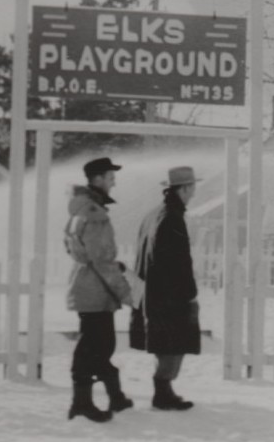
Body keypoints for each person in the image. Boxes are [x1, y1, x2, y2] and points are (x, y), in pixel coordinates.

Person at [64, 157, 135, 423]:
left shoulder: (79, 211)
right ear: (97, 180)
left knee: (101, 344)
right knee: (93, 347)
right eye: (110, 176)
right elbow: (102, 261)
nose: (114, 181)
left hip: (89, 286)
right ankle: (81, 403)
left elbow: (75, 249)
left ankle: (115, 397)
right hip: (96, 289)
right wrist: (127, 293)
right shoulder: (94, 214)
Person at [133, 166, 203, 410]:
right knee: (174, 344)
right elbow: (179, 261)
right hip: (171, 295)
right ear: (183, 189)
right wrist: (190, 294)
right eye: (192, 187)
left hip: (154, 293)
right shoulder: (172, 217)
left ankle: (164, 391)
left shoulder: (154, 214)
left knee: (166, 344)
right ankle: (162, 392)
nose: (194, 192)